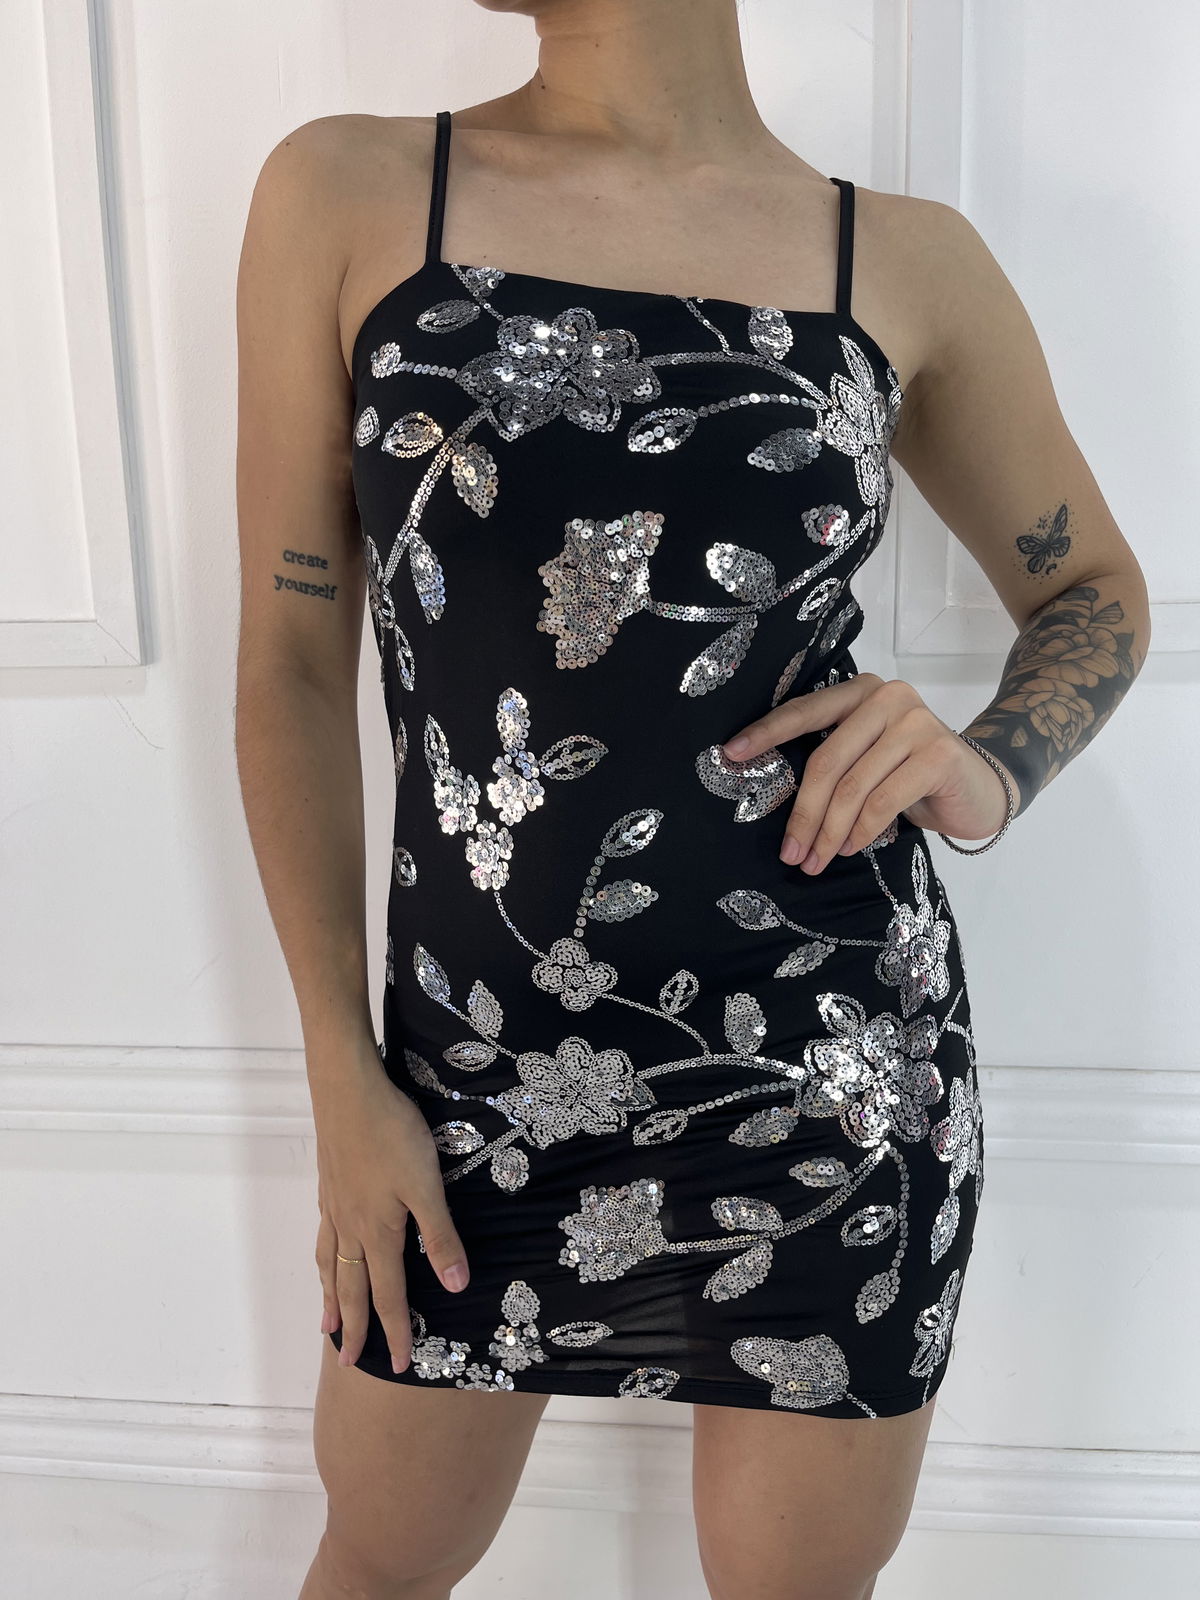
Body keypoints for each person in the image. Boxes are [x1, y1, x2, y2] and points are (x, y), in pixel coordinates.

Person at [233, 3, 1150, 1596]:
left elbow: (1094, 589)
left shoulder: (906, 264)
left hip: (835, 1068)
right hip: (467, 1086)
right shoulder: (352, 193)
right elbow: (291, 664)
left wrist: (987, 764)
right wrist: (340, 1075)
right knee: (379, 1559)